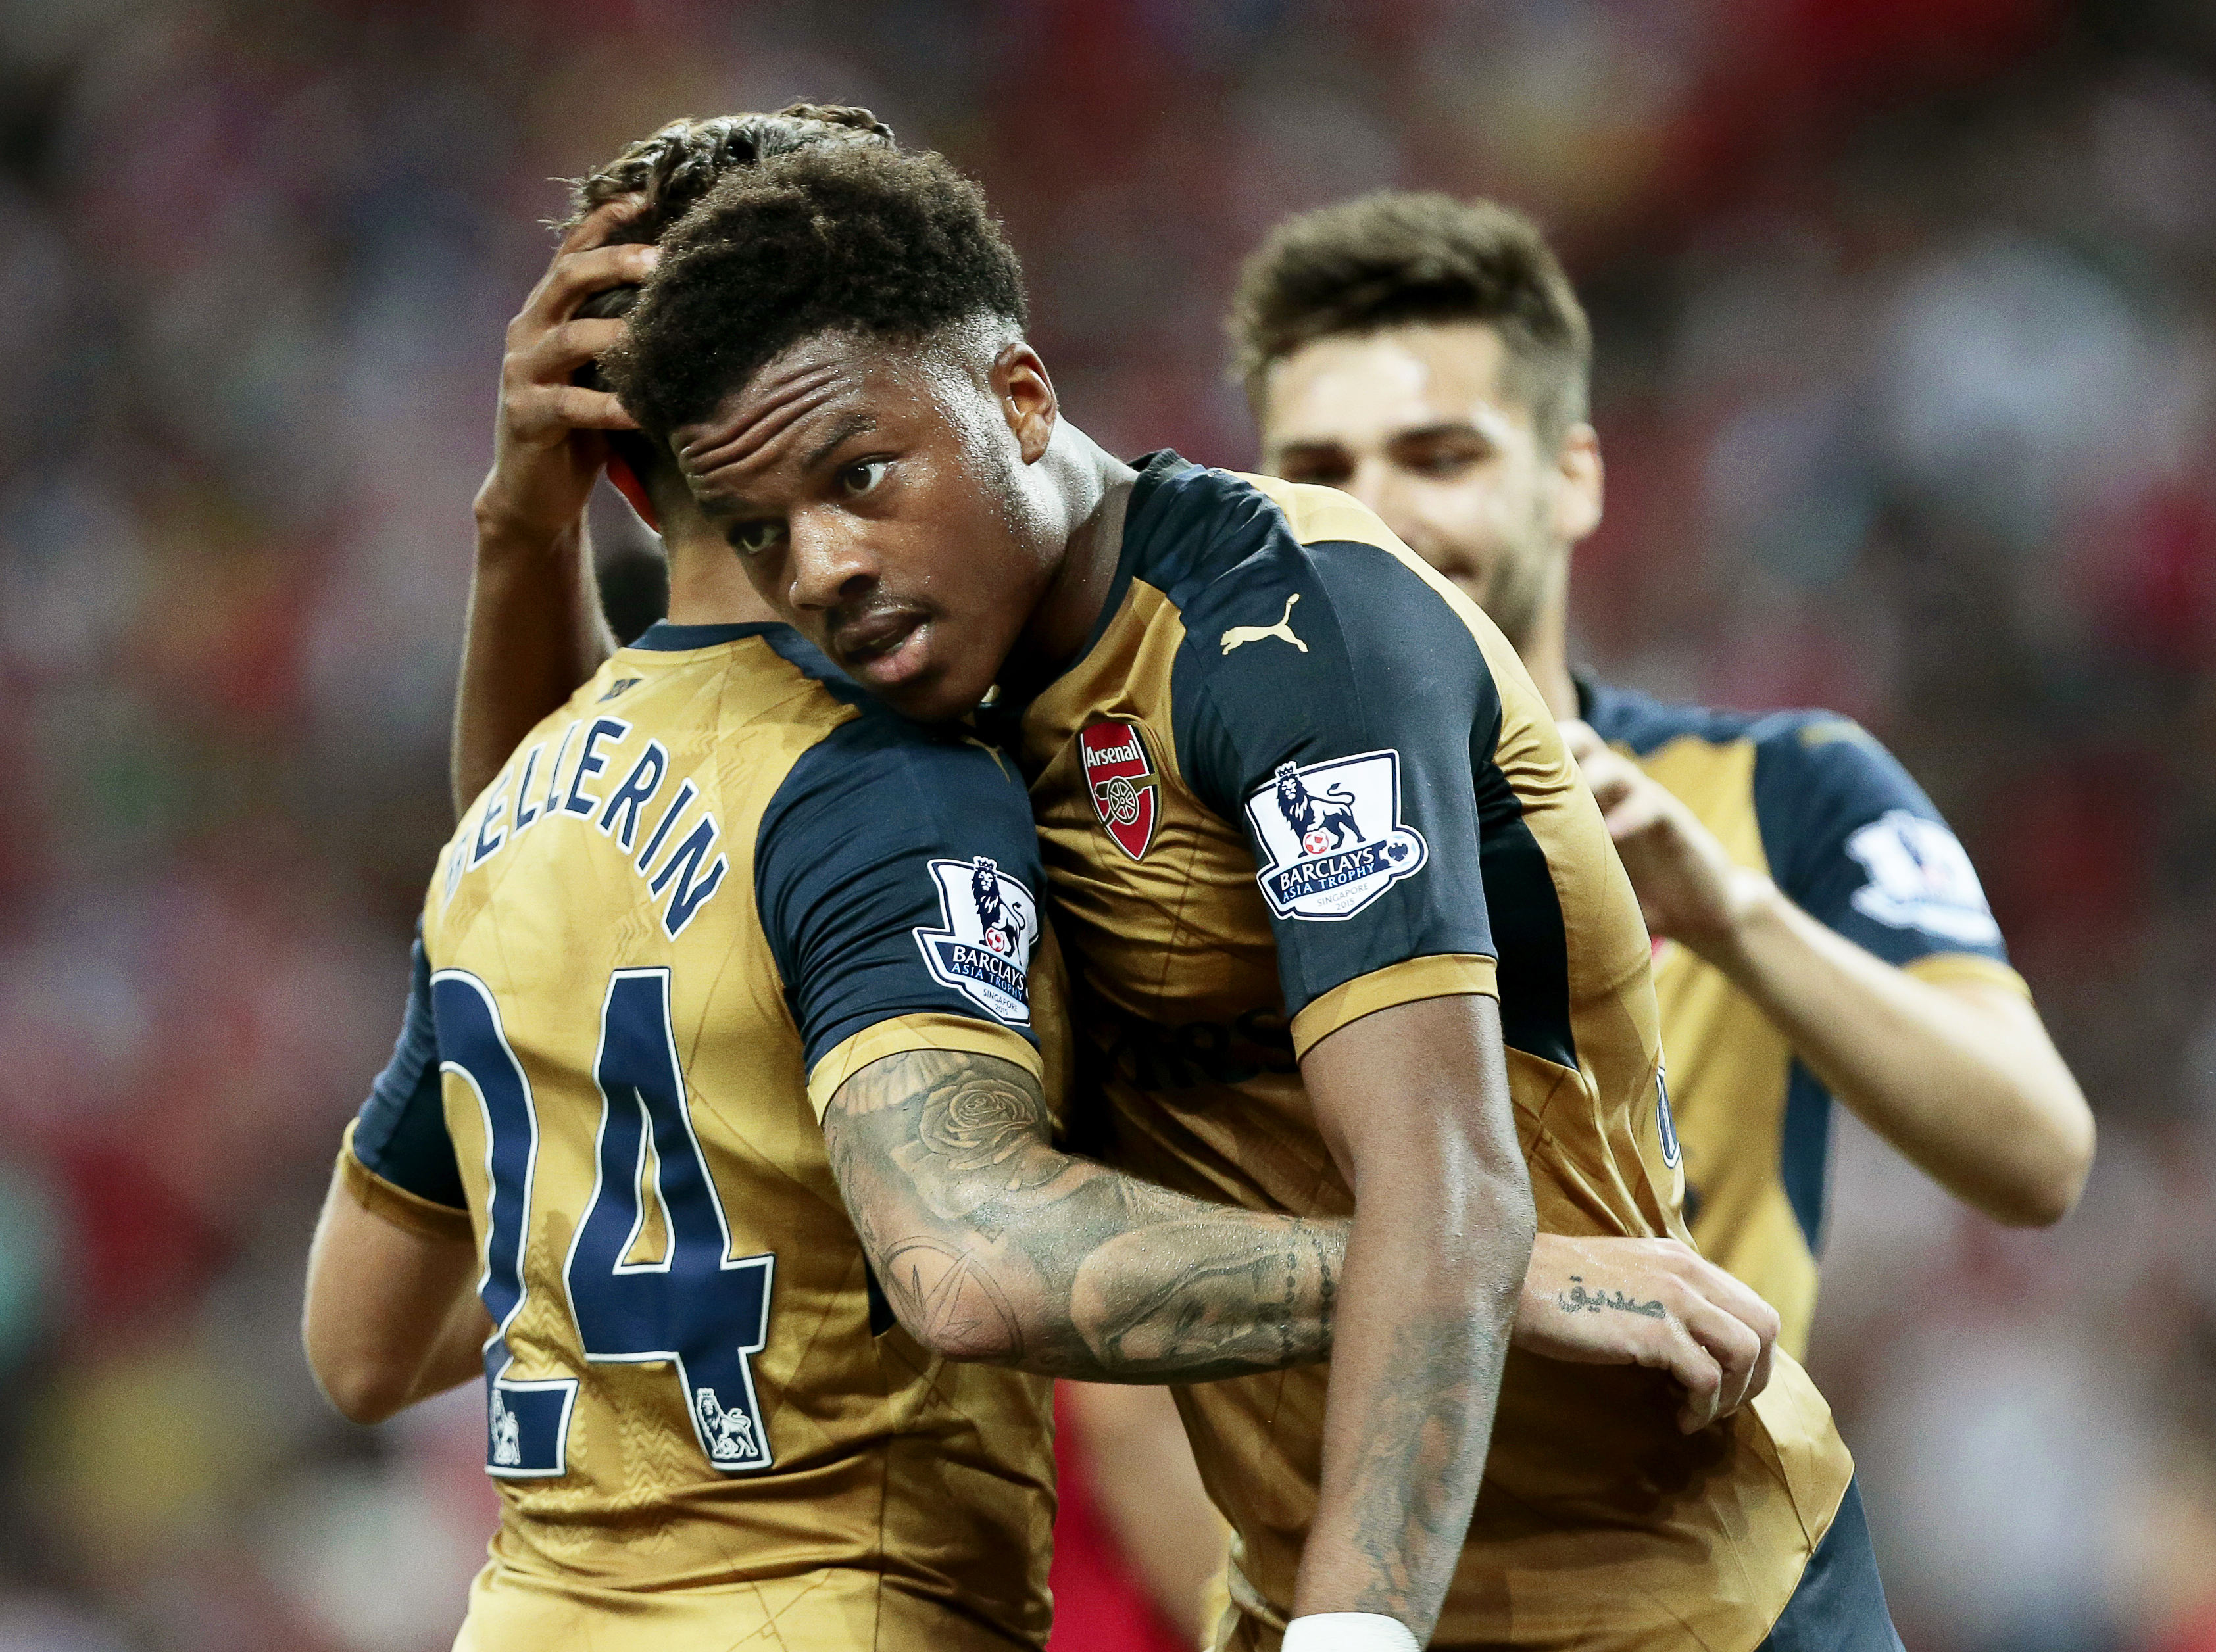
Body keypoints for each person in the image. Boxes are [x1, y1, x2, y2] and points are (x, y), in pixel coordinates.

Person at [305, 110, 1779, 1652]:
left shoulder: (535, 823)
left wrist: (512, 527)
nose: (823, 560)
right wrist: (1485, 1265)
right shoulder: (898, 775)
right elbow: (972, 1252)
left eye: (862, 467)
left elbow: (360, 1339)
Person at [1224, 192, 2096, 1360]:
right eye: (1318, 468)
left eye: (1440, 457)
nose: (1374, 514)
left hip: (1715, 1532)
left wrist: (1732, 915)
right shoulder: (1194, 831)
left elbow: (2037, 1157)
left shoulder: (1783, 791)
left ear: (1573, 478)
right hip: (1328, 1538)